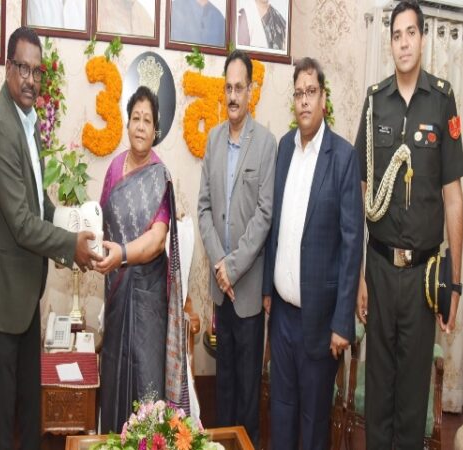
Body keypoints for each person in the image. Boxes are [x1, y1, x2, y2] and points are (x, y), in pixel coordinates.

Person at [0, 26, 101, 450]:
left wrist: (74, 227)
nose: (30, 79)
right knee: (4, 426)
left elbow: (38, 203)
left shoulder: (27, 122)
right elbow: (23, 223)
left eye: (37, 71)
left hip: (25, 299)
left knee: (30, 414)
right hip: (0, 304)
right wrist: (70, 246)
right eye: (23, 69)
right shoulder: (1, 127)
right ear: (8, 68)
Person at [354, 2, 463, 448]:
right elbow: (362, 192)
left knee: (412, 400)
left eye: (410, 33)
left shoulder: (441, 99)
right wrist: (361, 275)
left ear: (422, 39)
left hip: (423, 277)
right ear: (391, 43)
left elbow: (454, 199)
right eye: (396, 35)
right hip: (380, 271)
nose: (403, 43)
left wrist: (454, 283)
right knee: (378, 395)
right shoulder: (374, 101)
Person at [262, 57, 364, 450]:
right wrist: (268, 289)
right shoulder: (285, 148)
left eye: (311, 92)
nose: (304, 100)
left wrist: (342, 323)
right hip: (282, 319)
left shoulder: (343, 157)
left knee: (314, 425)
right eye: (298, 93)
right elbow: (275, 225)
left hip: (321, 324)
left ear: (323, 99)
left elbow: (352, 244)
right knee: (281, 415)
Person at [95, 86, 187, 433]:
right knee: (115, 373)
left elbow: (156, 240)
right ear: (127, 122)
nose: (141, 126)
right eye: (136, 118)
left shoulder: (160, 176)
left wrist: (122, 254)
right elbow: (102, 221)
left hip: (148, 294)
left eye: (148, 120)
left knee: (146, 378)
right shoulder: (114, 168)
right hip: (117, 288)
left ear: (156, 129)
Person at [197, 50, 277, 447]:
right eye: (227, 88)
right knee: (223, 384)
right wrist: (219, 264)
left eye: (239, 88)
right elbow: (204, 208)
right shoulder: (213, 140)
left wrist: (233, 267)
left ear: (251, 91)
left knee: (247, 390)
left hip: (246, 292)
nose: (232, 96)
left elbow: (265, 214)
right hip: (220, 290)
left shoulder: (266, 144)